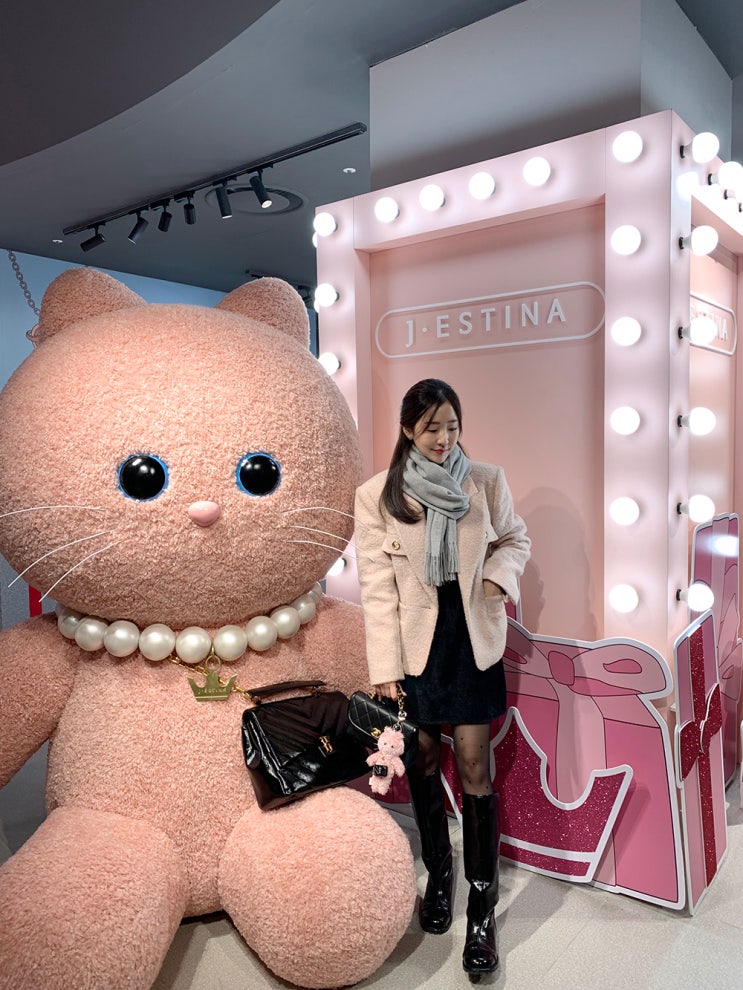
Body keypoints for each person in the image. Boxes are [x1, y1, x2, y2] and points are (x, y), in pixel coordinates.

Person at [354, 378, 530, 977]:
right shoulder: (378, 494)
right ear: (408, 429)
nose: (444, 438)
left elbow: (515, 537)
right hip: (416, 648)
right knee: (424, 761)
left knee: (476, 766)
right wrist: (384, 668)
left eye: (452, 426)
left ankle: (481, 907)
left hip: (473, 641)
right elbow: (377, 588)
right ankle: (439, 873)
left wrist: (498, 575)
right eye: (432, 427)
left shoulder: (485, 479)